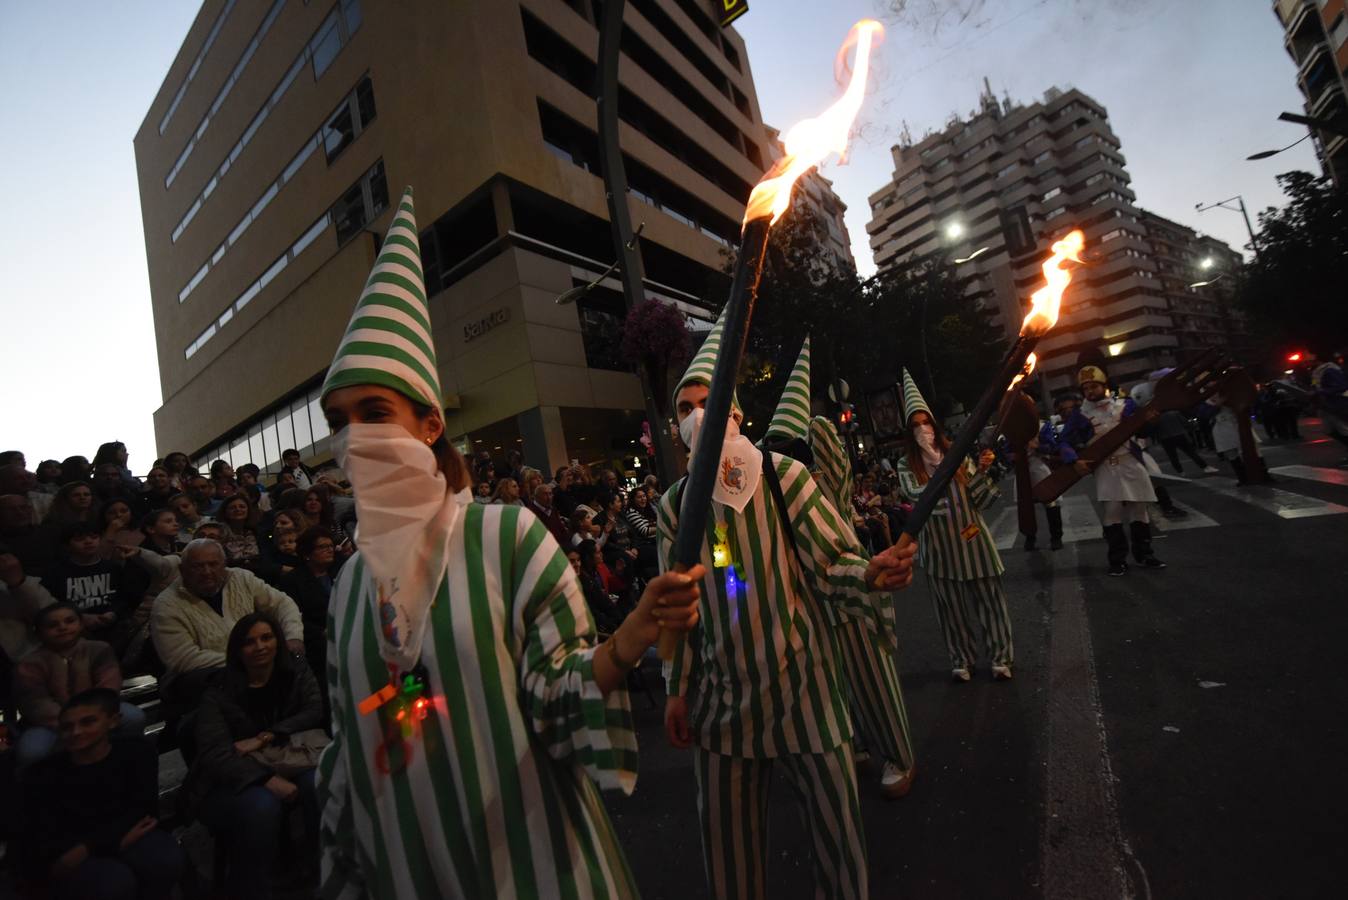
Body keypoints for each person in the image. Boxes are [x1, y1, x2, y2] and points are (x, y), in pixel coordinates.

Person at [315, 189, 702, 897]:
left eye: (376, 412)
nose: (355, 438)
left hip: (534, 869)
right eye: (341, 421)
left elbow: (557, 697)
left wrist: (634, 634)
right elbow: (346, 750)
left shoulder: (507, 538)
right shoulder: (345, 589)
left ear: (431, 424)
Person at [662, 315, 915, 900]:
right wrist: (678, 686)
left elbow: (835, 567)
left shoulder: (788, 479)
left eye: (710, 400)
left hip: (807, 696)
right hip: (722, 712)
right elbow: (677, 606)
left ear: (736, 412)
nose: (698, 414)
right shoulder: (675, 508)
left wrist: (872, 576)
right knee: (729, 861)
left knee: (839, 848)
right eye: (684, 408)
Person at [762, 338, 917, 799]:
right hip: (805, 606)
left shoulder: (821, 477)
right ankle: (855, 741)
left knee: (873, 679)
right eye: (772, 447)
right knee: (835, 684)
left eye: (785, 446)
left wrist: (811, 427)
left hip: (848, 587)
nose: (778, 455)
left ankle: (898, 754)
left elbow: (833, 454)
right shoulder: (763, 489)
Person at [188, 613, 325, 899]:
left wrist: (268, 735)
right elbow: (216, 754)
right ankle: (251, 886)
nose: (260, 646)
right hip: (234, 775)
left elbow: (314, 710)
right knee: (262, 805)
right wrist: (265, 779)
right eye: (249, 642)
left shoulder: (295, 671)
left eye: (267, 638)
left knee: (318, 781)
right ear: (237, 650)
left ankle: (319, 867)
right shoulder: (219, 690)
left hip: (288, 756)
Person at [895, 370, 1014, 682]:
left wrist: (983, 471)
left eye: (926, 422)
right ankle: (962, 659)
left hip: (975, 543)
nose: (923, 429)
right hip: (939, 549)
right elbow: (915, 496)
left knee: (991, 604)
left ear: (935, 425)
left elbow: (982, 498)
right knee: (951, 612)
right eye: (916, 425)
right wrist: (946, 473)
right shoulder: (907, 465)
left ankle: (1001, 657)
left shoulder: (956, 453)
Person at [20, 688, 185, 900]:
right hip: (75, 845)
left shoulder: (136, 752)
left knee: (163, 858)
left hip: (99, 841)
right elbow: (49, 833)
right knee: (113, 881)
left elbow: (143, 811)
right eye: (67, 727)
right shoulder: (45, 773)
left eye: (88, 722)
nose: (76, 732)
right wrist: (106, 844)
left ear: (113, 721)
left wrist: (91, 846)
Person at [150, 538, 304, 708]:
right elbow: (183, 659)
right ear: (183, 570)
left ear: (224, 564)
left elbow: (282, 604)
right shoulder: (166, 604)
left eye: (213, 564)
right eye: (198, 566)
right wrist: (246, 661)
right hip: (205, 679)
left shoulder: (241, 578)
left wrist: (293, 636)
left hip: (258, 662)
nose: (207, 572)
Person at [14, 603, 148, 768]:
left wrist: (94, 718)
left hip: (98, 713)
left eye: (70, 621)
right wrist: (70, 723)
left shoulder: (99, 649)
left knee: (133, 717)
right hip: (50, 723)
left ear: (81, 624)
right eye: (53, 625)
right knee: (32, 751)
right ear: (39, 632)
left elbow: (109, 686)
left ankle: (125, 765)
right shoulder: (30, 663)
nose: (63, 627)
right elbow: (36, 703)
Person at [1065, 365, 1166, 575]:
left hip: (1131, 461)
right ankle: (1117, 560)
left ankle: (1145, 554)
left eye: (1094, 386)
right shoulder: (1079, 414)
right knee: (1113, 513)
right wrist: (1073, 460)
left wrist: (1153, 420)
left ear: (1104, 385)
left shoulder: (1126, 405)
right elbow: (1064, 441)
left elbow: (1144, 429)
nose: (1090, 391)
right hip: (1106, 467)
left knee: (1140, 510)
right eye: (1086, 389)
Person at [279, 528, 338, 698]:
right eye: (322, 547)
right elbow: (293, 615)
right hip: (316, 642)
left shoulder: (339, 572)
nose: (329, 549)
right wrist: (321, 632)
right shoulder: (293, 580)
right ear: (307, 554)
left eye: (330, 545)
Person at [218, 495, 263, 570]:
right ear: (225, 512)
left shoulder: (256, 531)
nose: (238, 509)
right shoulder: (220, 532)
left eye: (242, 507)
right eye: (232, 507)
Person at [524, 481, 572, 548]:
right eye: (545, 494)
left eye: (550, 494)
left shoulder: (553, 510)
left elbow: (561, 529)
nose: (549, 497)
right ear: (536, 496)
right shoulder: (530, 513)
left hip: (560, 546)